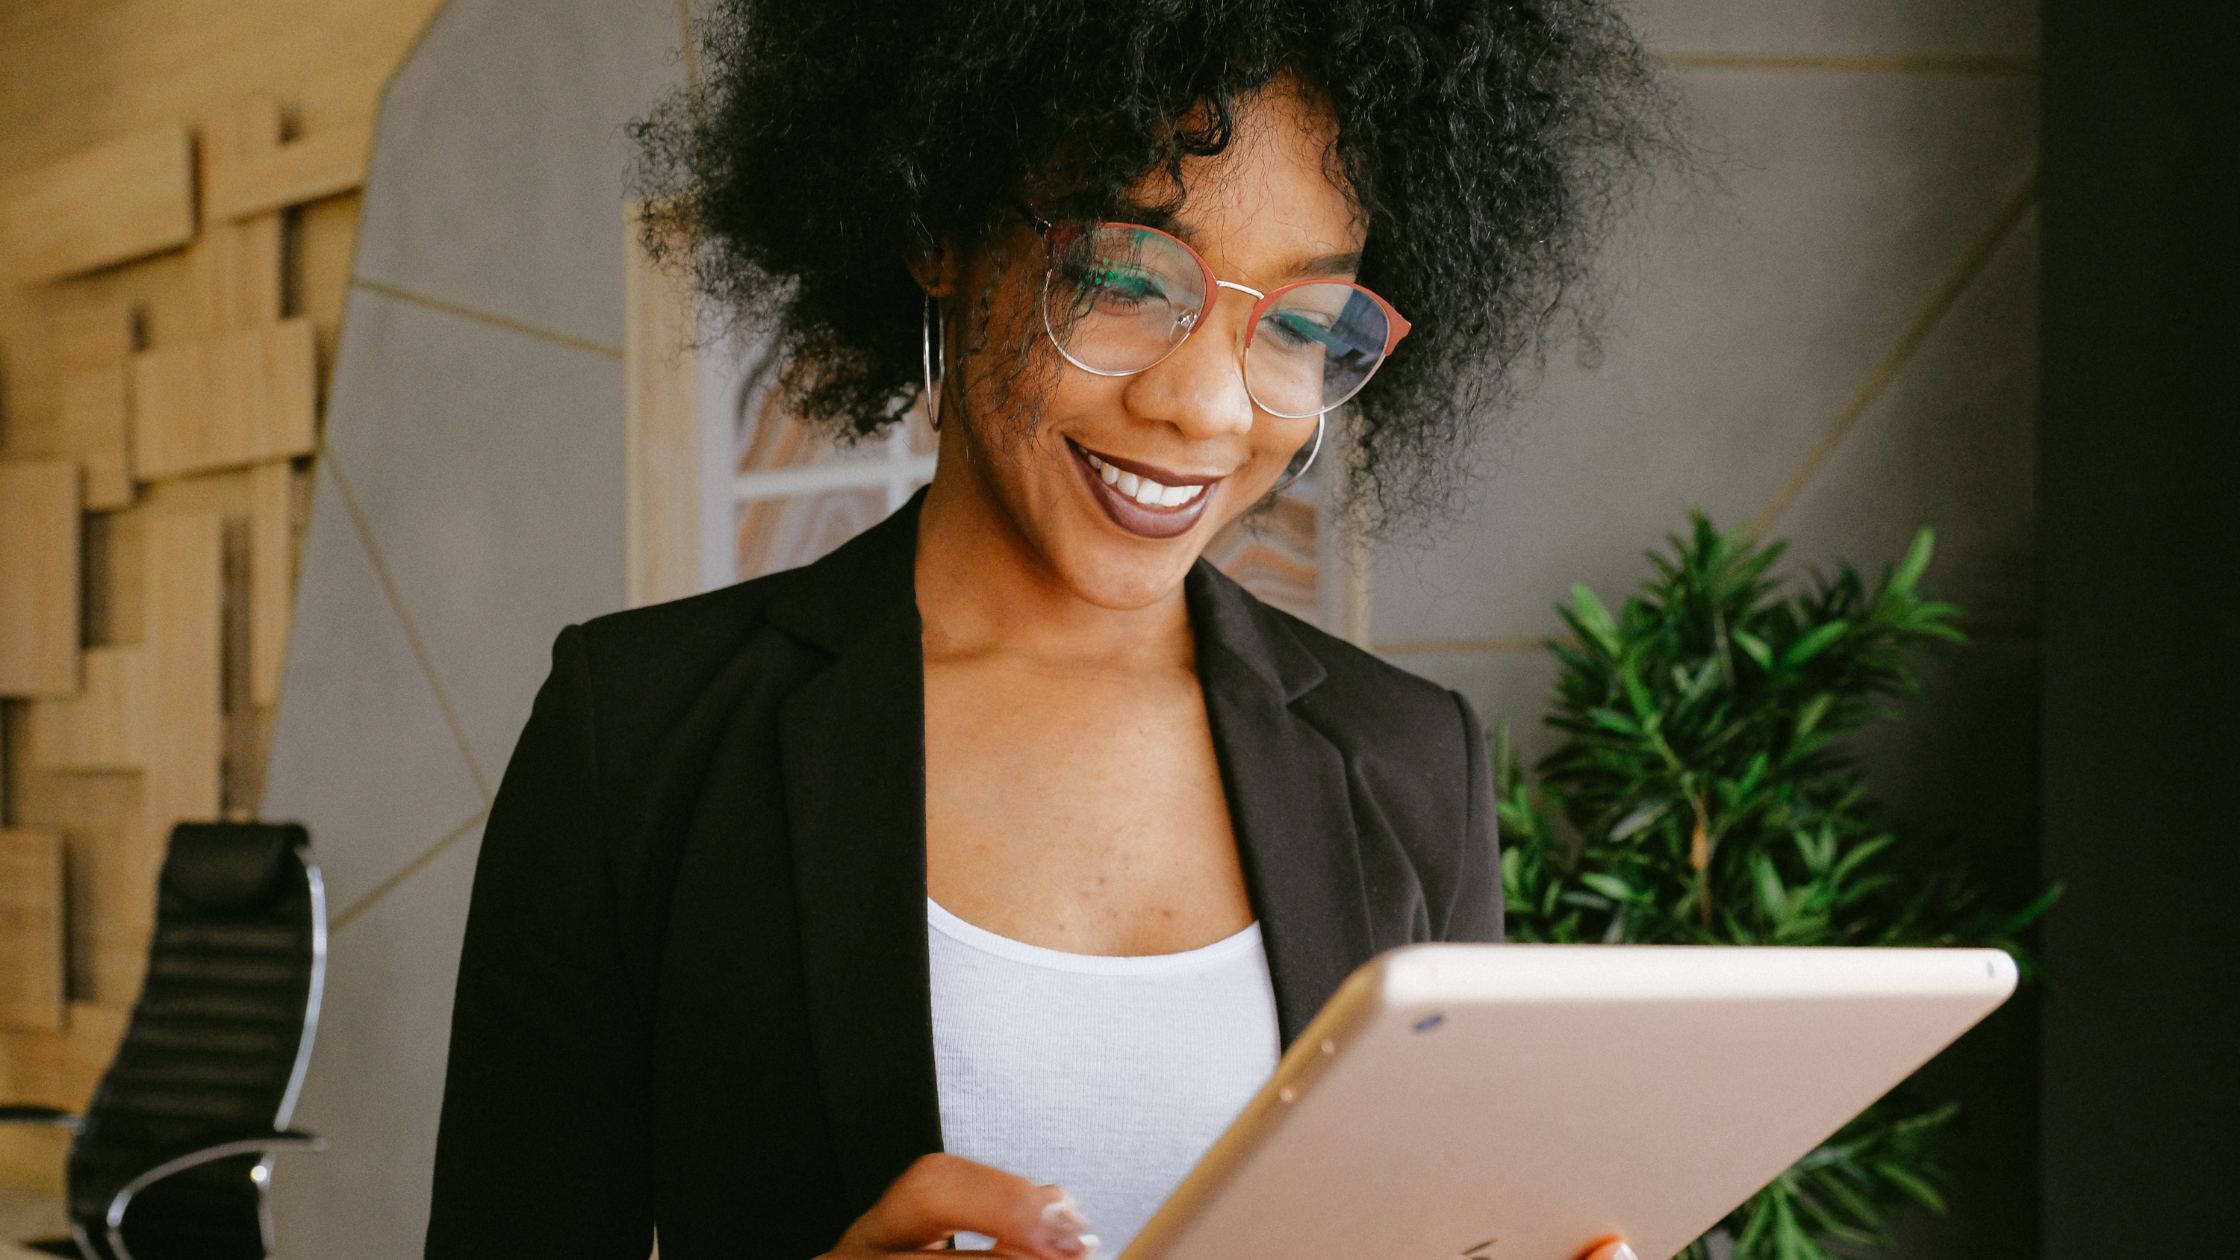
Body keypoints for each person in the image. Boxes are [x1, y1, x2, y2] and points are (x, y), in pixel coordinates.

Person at [425, 2, 1661, 1258]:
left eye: (1296, 324)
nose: (1205, 407)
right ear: (935, 228)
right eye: (1124, 280)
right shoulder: (637, 735)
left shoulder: (1407, 763)